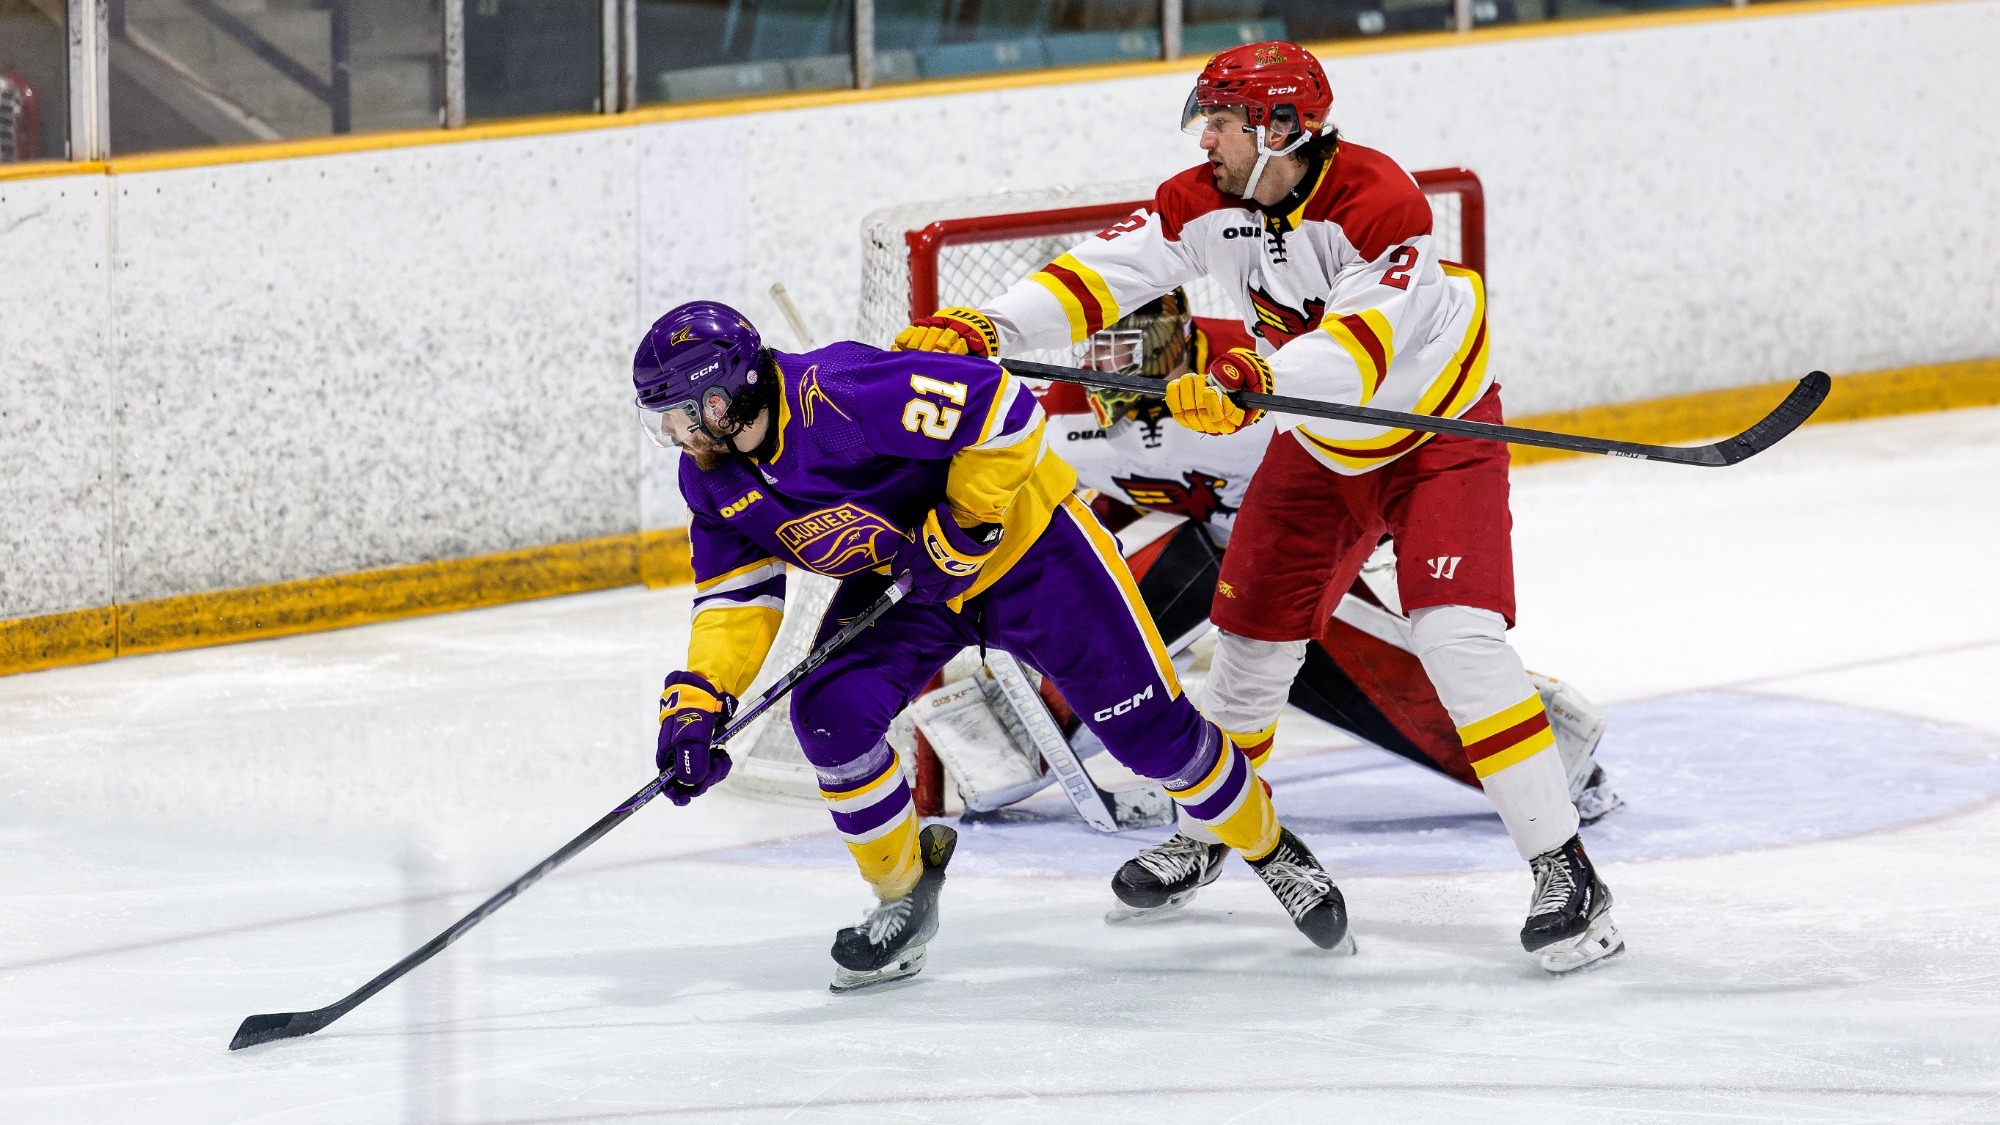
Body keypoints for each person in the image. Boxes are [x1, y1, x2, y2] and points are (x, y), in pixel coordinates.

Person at [896, 41, 1622, 972]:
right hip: (1320, 446)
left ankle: (1566, 870)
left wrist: (1254, 374)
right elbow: (1099, 274)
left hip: (1434, 434)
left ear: (1283, 128)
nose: (1207, 138)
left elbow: (1362, 346)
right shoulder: (1204, 200)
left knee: (1457, 641)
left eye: (1224, 121)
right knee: (1248, 645)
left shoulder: (1379, 201)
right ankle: (1218, 828)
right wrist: (988, 325)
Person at [634, 300, 1354, 994]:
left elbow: (1005, 407)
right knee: (829, 713)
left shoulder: (843, 394)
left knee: (1154, 740)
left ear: (724, 396)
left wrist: (962, 523)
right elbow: (735, 598)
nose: (673, 432)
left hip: (1032, 553)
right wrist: (701, 696)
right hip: (911, 587)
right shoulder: (711, 480)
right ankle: (903, 897)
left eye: (679, 412)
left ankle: (1272, 848)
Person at [1032, 293, 1623, 919]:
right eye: (1097, 346)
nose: (1108, 364)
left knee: (1413, 672)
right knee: (1109, 594)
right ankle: (1065, 755)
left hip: (1305, 552)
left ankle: (1558, 771)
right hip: (1206, 559)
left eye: (1129, 344)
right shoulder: (1060, 412)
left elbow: (1365, 458)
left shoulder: (1259, 366)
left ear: (1178, 334)